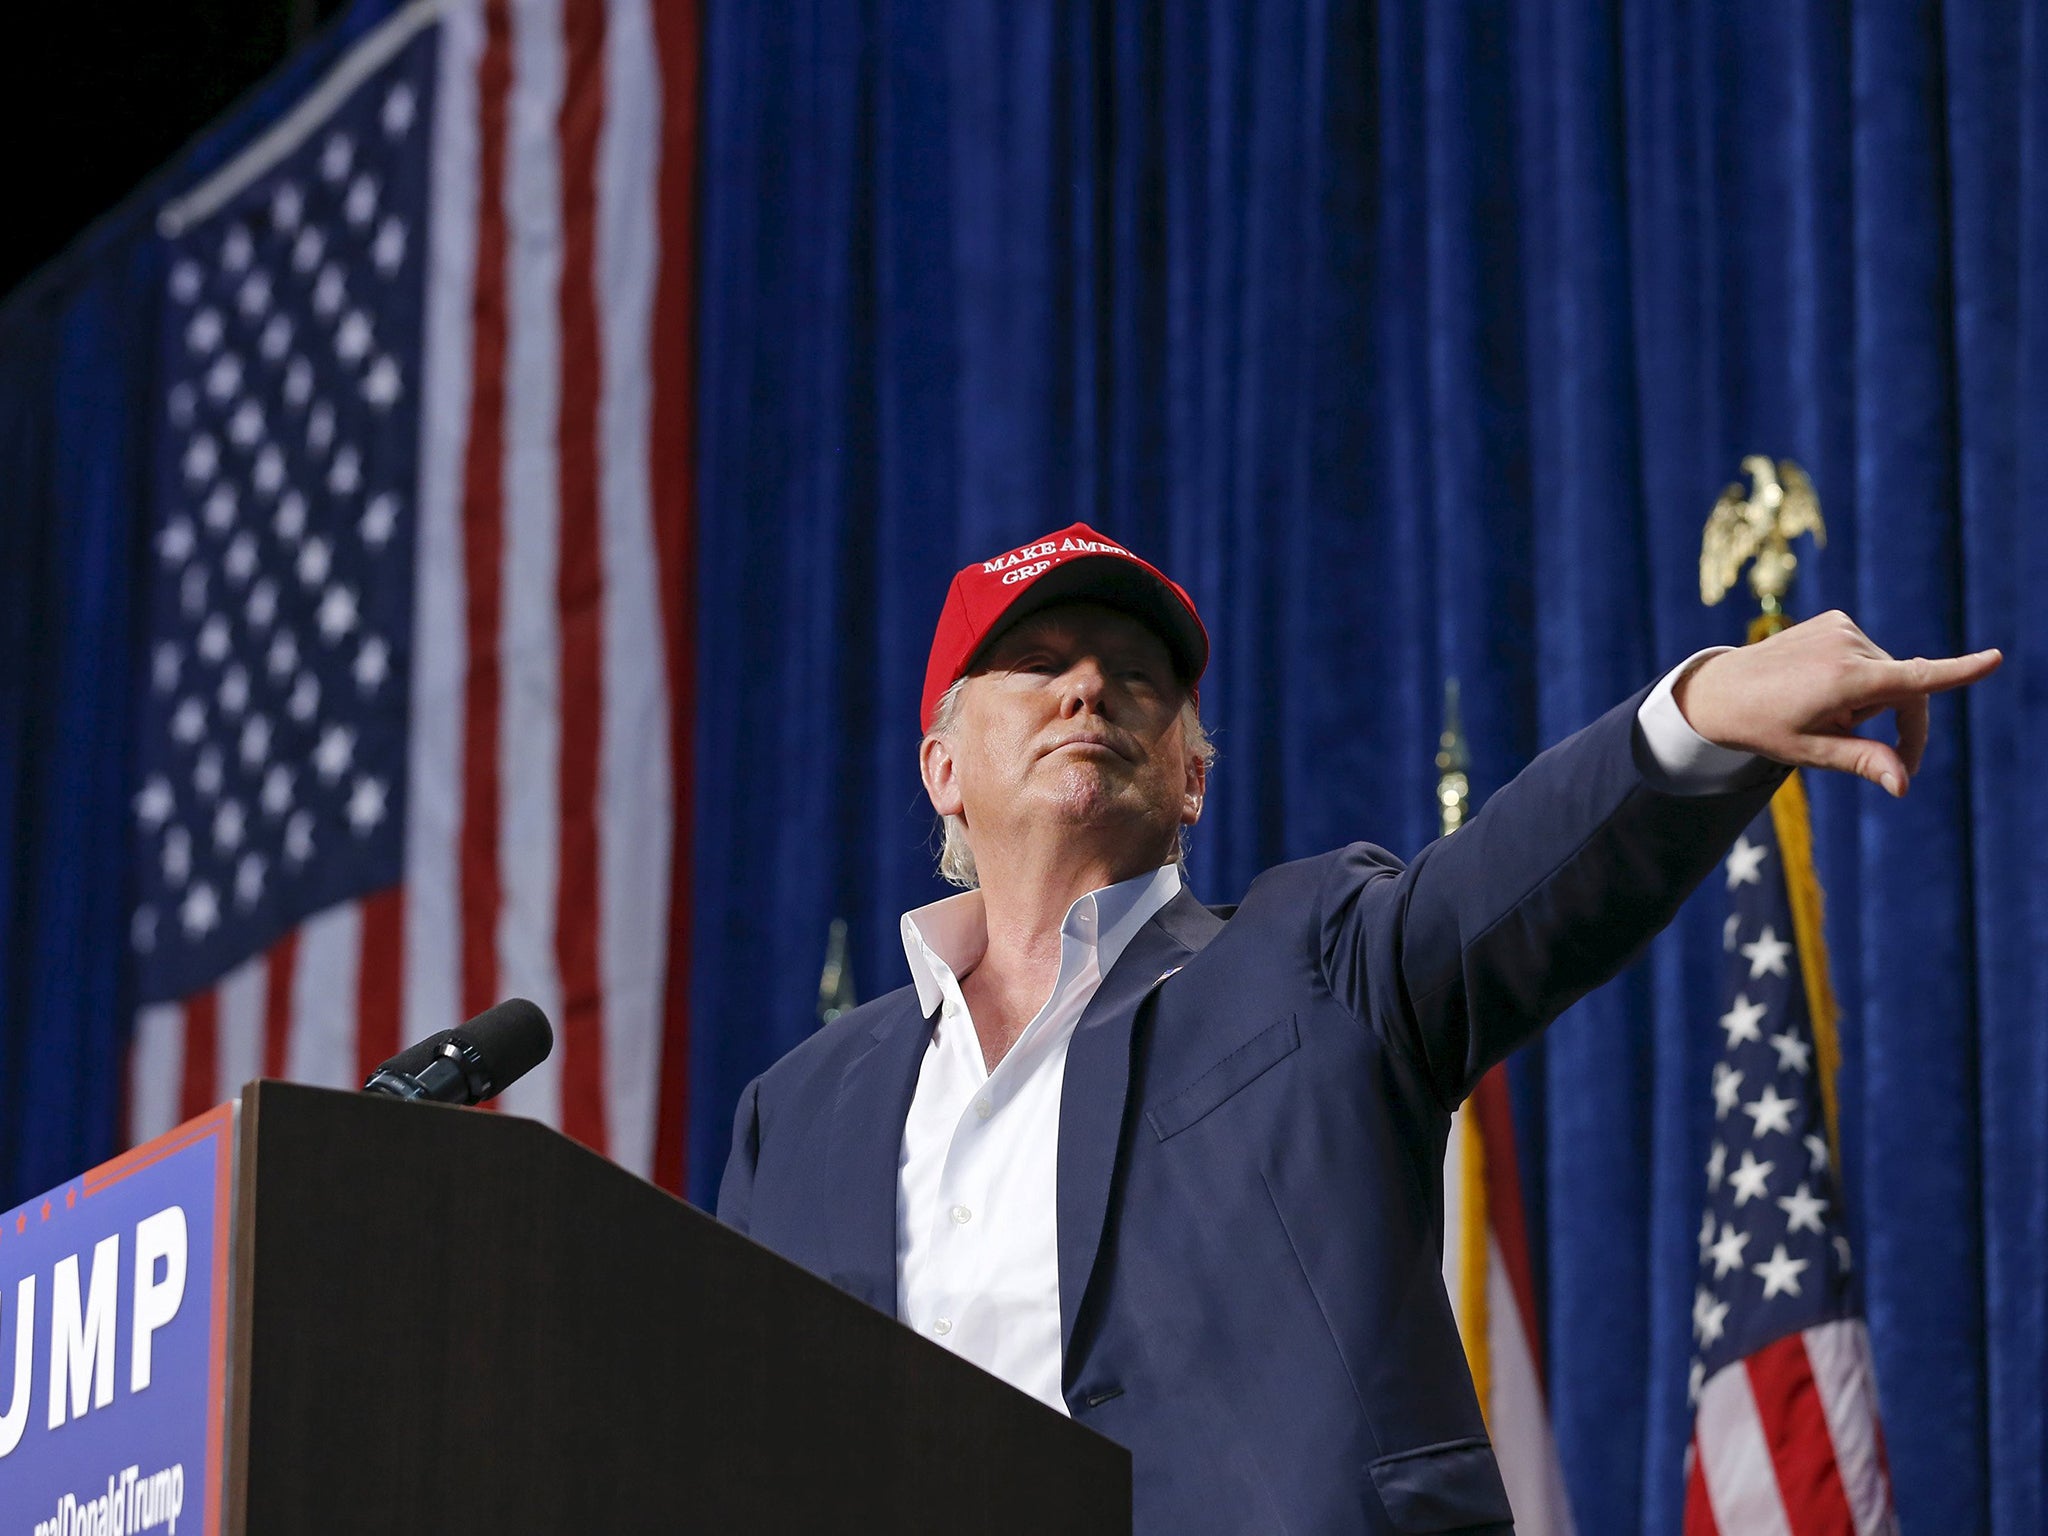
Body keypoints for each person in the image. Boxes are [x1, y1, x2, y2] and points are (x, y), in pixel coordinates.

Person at [716, 524, 1999, 1535]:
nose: (1090, 686)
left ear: (1192, 779)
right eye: (1040, 662)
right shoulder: (800, 1108)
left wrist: (1696, 716)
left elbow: (1510, 877)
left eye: (1137, 677)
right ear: (942, 767)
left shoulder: (1316, 956)